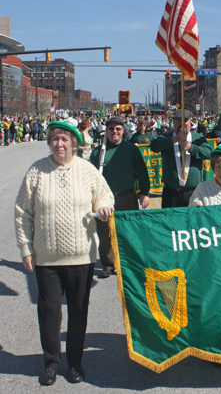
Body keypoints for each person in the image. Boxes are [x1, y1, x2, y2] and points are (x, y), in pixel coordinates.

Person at [14, 121, 114, 385]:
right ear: (50, 143)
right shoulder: (36, 171)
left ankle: (75, 363)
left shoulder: (87, 169)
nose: (59, 144)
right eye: (55, 139)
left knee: (79, 311)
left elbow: (105, 195)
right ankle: (51, 362)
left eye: (65, 139)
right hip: (47, 257)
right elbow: (23, 212)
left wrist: (104, 206)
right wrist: (26, 248)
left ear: (74, 143)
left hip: (81, 256)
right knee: (49, 312)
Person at [90, 116, 150, 278]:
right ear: (106, 130)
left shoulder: (131, 149)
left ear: (123, 131)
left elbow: (142, 172)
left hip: (127, 196)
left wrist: (144, 193)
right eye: (111, 129)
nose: (114, 132)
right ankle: (108, 264)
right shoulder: (98, 152)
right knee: (105, 233)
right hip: (104, 200)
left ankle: (128, 263)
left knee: (129, 231)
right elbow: (90, 177)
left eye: (118, 129)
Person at [150, 109, 212, 208]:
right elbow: (154, 146)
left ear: (190, 122)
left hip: (194, 192)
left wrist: (192, 148)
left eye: (185, 120)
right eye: (178, 120)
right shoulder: (166, 136)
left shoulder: (198, 138)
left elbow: (208, 153)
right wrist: (174, 139)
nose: (182, 124)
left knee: (193, 222)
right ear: (173, 122)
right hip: (171, 194)